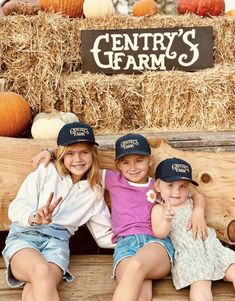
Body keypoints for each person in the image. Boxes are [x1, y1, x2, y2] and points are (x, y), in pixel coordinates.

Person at [33, 133, 207, 301]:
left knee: (135, 267)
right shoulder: (112, 179)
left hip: (155, 243)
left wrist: (198, 211)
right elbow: (80, 162)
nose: (133, 168)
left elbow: (194, 194)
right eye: (126, 162)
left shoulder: (159, 185)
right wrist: (51, 152)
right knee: (141, 293)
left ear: (150, 160)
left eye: (139, 161)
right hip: (125, 246)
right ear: (118, 165)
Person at [2, 122, 113, 301]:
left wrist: (135, 240)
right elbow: (17, 207)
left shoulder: (94, 191)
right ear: (61, 154)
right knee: (41, 271)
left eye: (84, 152)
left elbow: (103, 235)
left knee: (34, 290)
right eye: (70, 153)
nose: (78, 159)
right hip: (24, 236)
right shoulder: (46, 171)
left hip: (57, 244)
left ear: (93, 154)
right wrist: (34, 217)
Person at [151, 157, 235, 301]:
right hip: (189, 255)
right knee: (201, 284)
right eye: (170, 185)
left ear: (189, 187)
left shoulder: (191, 200)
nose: (176, 192)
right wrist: (166, 220)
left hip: (212, 248)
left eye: (182, 186)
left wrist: (198, 211)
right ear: (158, 186)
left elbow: (199, 196)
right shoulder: (160, 209)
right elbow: (159, 233)